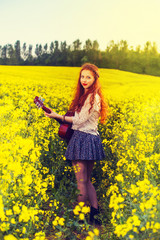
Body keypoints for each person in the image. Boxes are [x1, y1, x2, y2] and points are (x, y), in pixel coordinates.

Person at [45, 63, 108, 225]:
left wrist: (57, 116)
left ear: (95, 79)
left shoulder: (91, 97)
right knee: (86, 180)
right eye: (82, 76)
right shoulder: (90, 96)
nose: (84, 80)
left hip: (82, 140)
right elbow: (78, 120)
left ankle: (79, 218)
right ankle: (95, 215)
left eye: (88, 77)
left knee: (81, 181)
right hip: (92, 139)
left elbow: (79, 121)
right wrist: (56, 115)